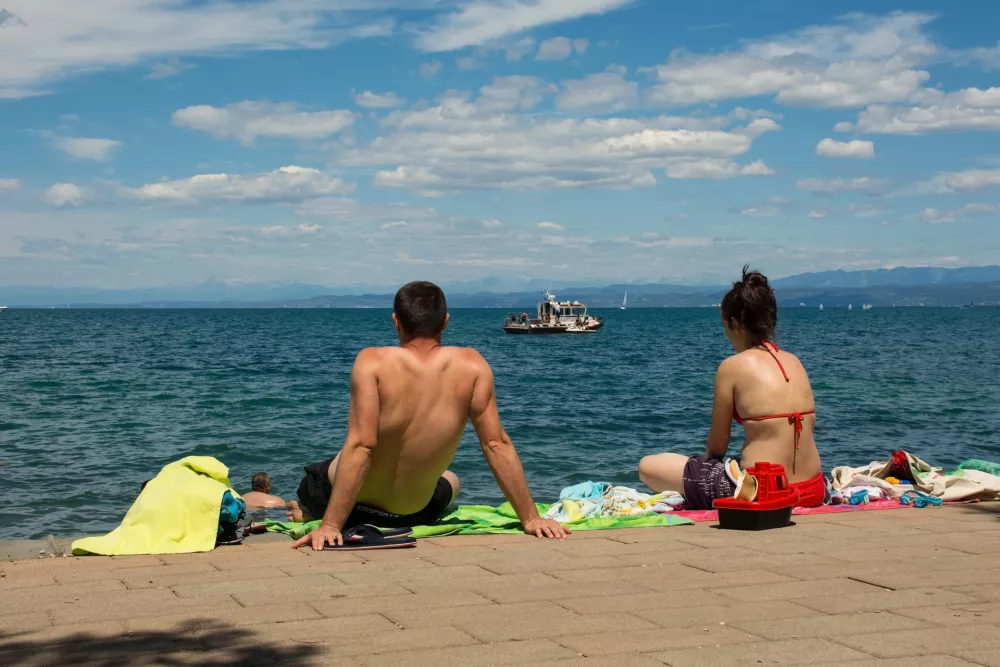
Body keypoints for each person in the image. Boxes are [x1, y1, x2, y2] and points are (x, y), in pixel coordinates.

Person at [291, 281, 569, 549]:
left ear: (396, 321)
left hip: (348, 509)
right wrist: (531, 519)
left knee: (331, 465)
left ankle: (307, 510)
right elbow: (495, 443)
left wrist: (330, 526)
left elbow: (362, 446)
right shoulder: (472, 364)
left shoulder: (372, 361)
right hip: (415, 514)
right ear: (445, 321)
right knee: (451, 480)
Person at [637, 266, 825, 509]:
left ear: (735, 323)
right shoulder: (795, 362)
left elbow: (717, 447)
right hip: (812, 489)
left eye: (725, 325)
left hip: (761, 491)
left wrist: (706, 469)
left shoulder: (732, 366)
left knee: (649, 466)